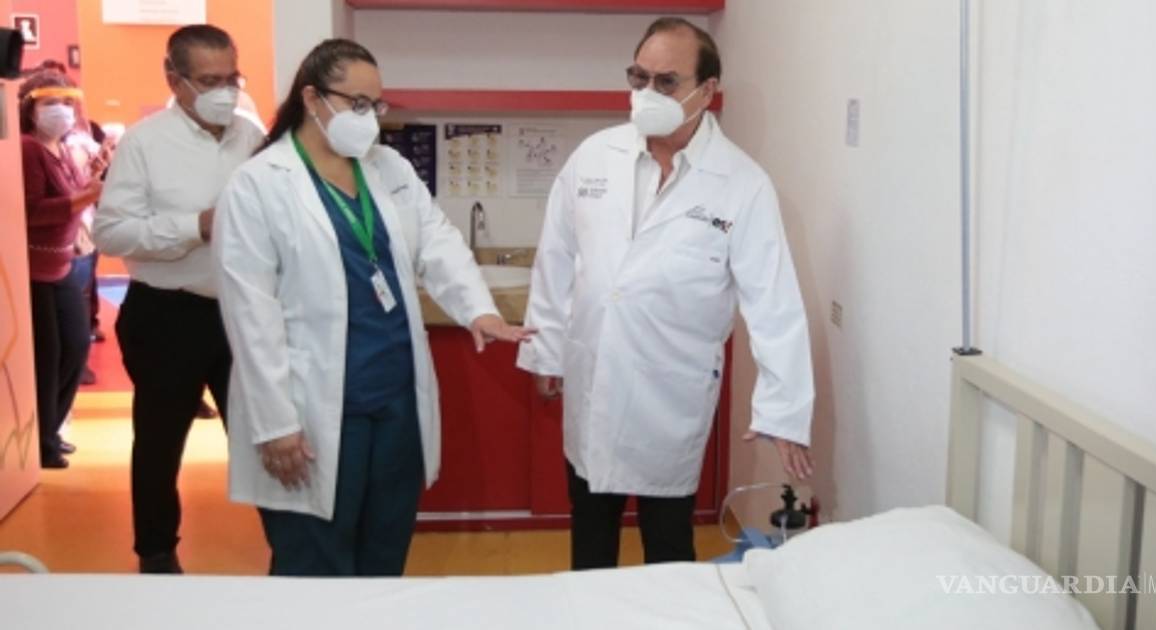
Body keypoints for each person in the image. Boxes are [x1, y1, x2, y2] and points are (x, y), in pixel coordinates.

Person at [214, 38, 534, 577]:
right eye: (357, 103)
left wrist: (478, 309)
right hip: (312, 406)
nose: (369, 117)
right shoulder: (258, 185)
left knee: (384, 552)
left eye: (375, 105)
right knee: (315, 563)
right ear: (312, 98)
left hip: (393, 401)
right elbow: (251, 314)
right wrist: (275, 424)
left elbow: (436, 239)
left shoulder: (387, 168)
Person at [517, 17, 817, 570]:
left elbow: (774, 302)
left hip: (669, 391)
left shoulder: (742, 183)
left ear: (707, 90)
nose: (647, 93)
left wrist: (783, 410)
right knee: (591, 532)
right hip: (594, 377)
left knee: (669, 544)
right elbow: (556, 258)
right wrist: (547, 350)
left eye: (666, 82)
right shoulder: (594, 156)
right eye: (639, 78)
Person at [94, 24, 263, 574]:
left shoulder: (251, 138)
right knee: (160, 442)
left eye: (232, 78)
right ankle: (156, 552)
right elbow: (111, 233)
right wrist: (195, 226)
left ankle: (290, 546)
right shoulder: (144, 143)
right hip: (167, 314)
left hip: (241, 312)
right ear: (175, 79)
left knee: (263, 434)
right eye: (209, 81)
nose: (225, 92)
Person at [19, 70, 101, 469]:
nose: (61, 111)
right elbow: (32, 211)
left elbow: (79, 193)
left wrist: (94, 179)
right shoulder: (28, 149)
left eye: (68, 103)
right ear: (30, 108)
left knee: (76, 346)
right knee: (47, 358)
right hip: (35, 268)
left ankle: (50, 430)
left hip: (64, 263)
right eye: (51, 103)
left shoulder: (65, 149)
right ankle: (41, 442)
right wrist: (85, 196)